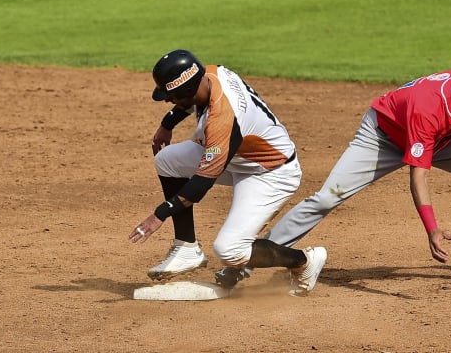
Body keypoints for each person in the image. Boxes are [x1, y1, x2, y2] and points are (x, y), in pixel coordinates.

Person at [215, 49, 451, 288]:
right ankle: (253, 258)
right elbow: (418, 174)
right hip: (382, 136)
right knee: (328, 197)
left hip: (441, 139)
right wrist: (432, 229)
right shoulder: (429, 106)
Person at [128, 49, 327, 296]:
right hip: (239, 157)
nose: (168, 100)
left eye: (171, 96)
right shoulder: (210, 73)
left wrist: (160, 214)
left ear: (186, 90)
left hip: (269, 173)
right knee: (167, 160)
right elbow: (190, 101)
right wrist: (166, 125)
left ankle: (304, 261)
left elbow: (201, 184)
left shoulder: (223, 118)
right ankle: (186, 246)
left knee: (229, 250)